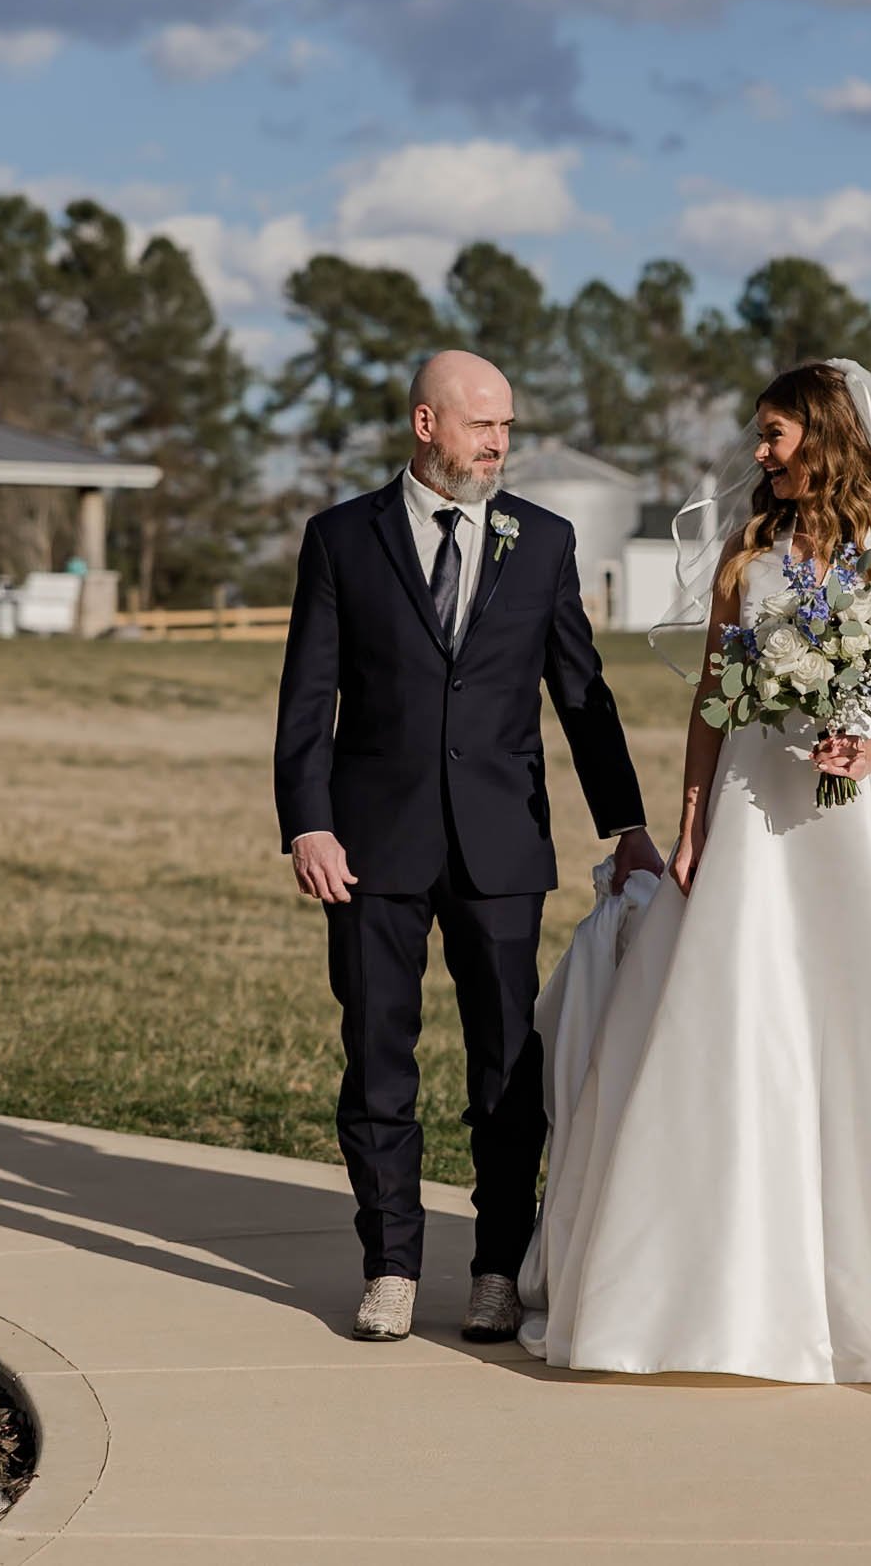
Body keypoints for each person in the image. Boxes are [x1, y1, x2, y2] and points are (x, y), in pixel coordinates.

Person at [520, 357, 871, 1385]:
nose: (758, 452)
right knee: (737, 1022)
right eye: (759, 434)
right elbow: (708, 698)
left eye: (774, 433)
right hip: (749, 810)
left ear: (826, 437)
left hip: (866, 818)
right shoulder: (749, 550)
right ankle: (713, 1291)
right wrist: (690, 822)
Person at [273, 350, 661, 1345]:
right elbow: (308, 697)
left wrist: (625, 824)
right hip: (370, 845)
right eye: (481, 424)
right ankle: (391, 1265)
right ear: (424, 424)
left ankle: (496, 1263)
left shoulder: (541, 542)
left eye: (507, 427)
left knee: (505, 1067)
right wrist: (308, 821)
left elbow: (581, 690)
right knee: (377, 1060)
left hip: (500, 849)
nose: (498, 443)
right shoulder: (341, 539)